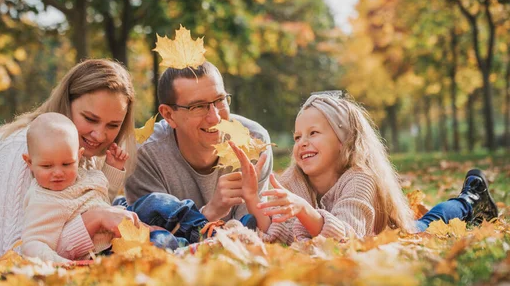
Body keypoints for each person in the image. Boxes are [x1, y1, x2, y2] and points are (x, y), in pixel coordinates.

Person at [0, 59, 140, 268]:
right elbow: (18, 253)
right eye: (90, 119)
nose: (100, 135)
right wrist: (94, 219)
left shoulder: (81, 152)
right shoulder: (25, 149)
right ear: (66, 105)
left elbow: (78, 215)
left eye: (113, 125)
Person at [231, 92, 498, 244]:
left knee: (427, 223)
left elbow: (349, 237)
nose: (302, 143)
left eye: (313, 133)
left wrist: (304, 210)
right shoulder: (293, 180)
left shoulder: (359, 179)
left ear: (343, 140)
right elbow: (283, 233)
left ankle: (470, 199)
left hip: (389, 234)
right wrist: (253, 200)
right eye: (297, 136)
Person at [124, 61, 273, 245]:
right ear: (169, 115)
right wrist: (211, 211)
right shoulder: (144, 154)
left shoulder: (254, 142)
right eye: (198, 106)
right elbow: (156, 241)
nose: (215, 117)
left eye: (220, 100)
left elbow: (249, 234)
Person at [21, 113, 130, 263]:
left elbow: (103, 194)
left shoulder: (82, 176)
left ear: (78, 157)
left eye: (67, 164)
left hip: (120, 229)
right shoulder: (42, 201)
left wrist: (114, 168)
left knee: (153, 203)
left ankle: (172, 221)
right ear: (29, 162)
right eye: (47, 166)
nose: (58, 173)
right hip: (101, 253)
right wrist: (63, 264)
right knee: (159, 235)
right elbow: (32, 244)